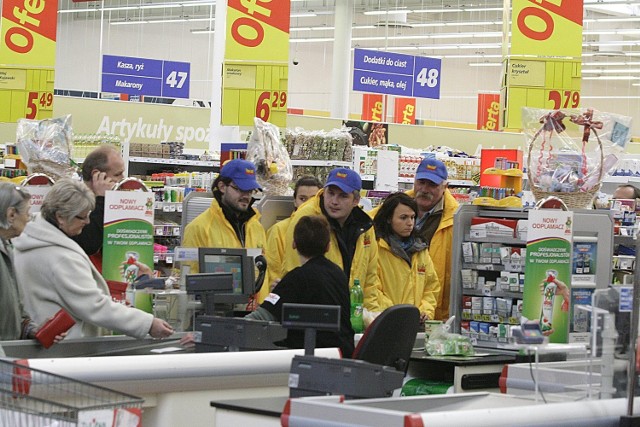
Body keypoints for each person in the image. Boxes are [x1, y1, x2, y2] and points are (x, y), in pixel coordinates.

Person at [12, 178, 173, 340]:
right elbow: (94, 306)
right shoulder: (61, 257)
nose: (87, 222)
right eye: (82, 217)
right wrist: (147, 323)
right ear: (60, 217)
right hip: (66, 346)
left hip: (41, 340)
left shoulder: (30, 239)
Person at [246, 215, 354, 357]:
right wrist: (281, 292)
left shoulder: (295, 278)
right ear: (328, 246)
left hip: (309, 359)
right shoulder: (338, 274)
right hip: (342, 355)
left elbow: (255, 321)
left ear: (294, 244)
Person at [281, 167, 381, 313]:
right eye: (331, 193)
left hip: (351, 316)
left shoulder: (365, 227)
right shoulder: (307, 220)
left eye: (343, 196)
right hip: (314, 315)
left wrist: (371, 317)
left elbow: (370, 280)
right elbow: (294, 271)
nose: (334, 201)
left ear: (356, 200)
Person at [182, 158, 267, 301]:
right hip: (216, 314)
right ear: (222, 187)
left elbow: (264, 272)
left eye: (250, 190)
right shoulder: (199, 228)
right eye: (239, 189)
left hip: (253, 315)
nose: (246, 195)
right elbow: (187, 279)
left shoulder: (256, 227)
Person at [373, 192, 441, 323]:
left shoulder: (420, 249)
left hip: (416, 325)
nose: (410, 223)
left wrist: (425, 311)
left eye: (412, 217)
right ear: (388, 218)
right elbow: (372, 289)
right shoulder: (377, 248)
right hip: (387, 322)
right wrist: (396, 313)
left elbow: (431, 287)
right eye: (403, 218)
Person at [409, 158, 459, 321]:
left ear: (445, 187)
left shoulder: (456, 220)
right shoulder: (395, 207)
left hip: (436, 314)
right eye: (421, 182)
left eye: (432, 185)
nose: (424, 189)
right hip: (398, 307)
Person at [264, 175, 322, 290]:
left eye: (313, 199)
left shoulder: (327, 230)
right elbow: (272, 271)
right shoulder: (279, 231)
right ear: (295, 201)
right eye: (303, 199)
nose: (308, 204)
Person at [72, 145, 125, 268]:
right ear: (97, 175)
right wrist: (102, 199)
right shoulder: (74, 200)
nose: (123, 179)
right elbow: (88, 244)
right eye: (118, 174)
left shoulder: (115, 200)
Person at [0, 183, 38, 340]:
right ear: (11, 214)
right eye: (27, 213)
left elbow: (14, 305)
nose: (29, 219)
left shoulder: (7, 245)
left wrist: (29, 329)